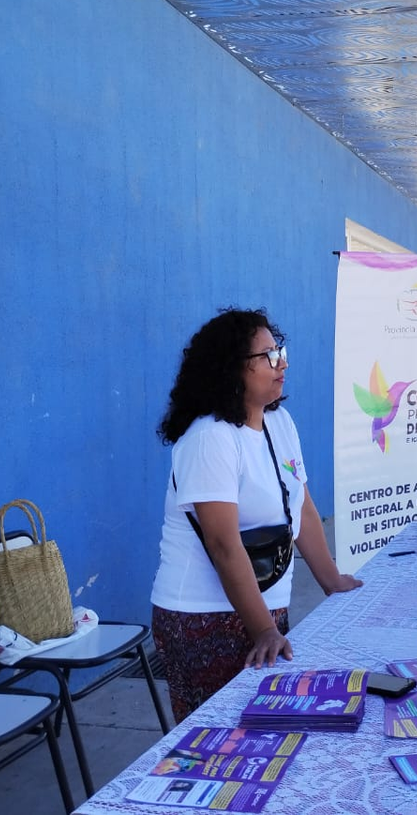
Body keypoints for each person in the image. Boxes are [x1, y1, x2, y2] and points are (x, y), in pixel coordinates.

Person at [151, 308, 362, 723]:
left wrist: (332, 581)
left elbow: (300, 505)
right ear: (231, 369)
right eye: (266, 356)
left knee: (268, 735)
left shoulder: (279, 422)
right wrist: (264, 629)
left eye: (279, 351)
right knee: (219, 743)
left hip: (264, 611)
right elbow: (224, 545)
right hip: (202, 620)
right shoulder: (210, 438)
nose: (280, 363)